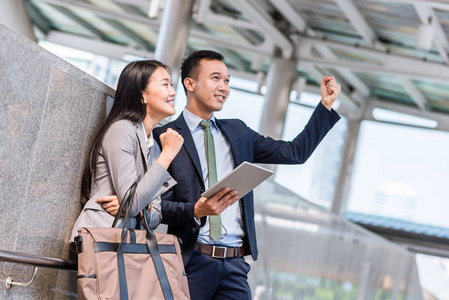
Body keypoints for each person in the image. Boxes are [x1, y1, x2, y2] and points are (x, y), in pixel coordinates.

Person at [99, 50, 341, 299]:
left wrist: (324, 107)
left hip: (235, 264)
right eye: (215, 78)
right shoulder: (166, 138)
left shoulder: (239, 132)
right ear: (189, 83)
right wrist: (196, 210)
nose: (223, 87)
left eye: (227, 81)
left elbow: (295, 153)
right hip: (189, 261)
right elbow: (162, 205)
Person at [70, 60, 184, 241]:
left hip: (125, 245)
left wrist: (136, 210)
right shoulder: (122, 129)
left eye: (171, 84)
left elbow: (155, 216)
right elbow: (132, 203)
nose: (173, 91)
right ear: (142, 95)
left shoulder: (152, 144)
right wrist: (168, 154)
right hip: (101, 240)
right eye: (165, 84)